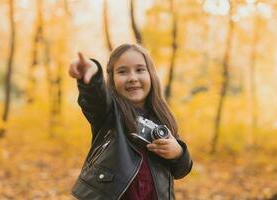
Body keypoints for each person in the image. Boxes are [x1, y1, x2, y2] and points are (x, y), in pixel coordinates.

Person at [69, 43, 192, 200]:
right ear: (112, 80)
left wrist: (178, 153)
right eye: (122, 72)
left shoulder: (162, 119)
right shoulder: (109, 114)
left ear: (151, 75)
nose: (133, 78)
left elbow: (182, 170)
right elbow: (95, 99)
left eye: (140, 70)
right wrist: (92, 76)